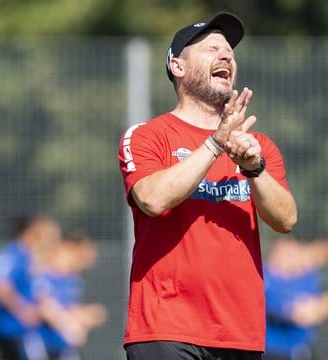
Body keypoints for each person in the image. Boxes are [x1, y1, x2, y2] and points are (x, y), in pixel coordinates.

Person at [117, 12, 297, 360]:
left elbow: (286, 219)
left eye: (230, 51)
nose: (226, 55)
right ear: (177, 67)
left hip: (239, 334)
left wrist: (254, 167)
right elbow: (152, 199)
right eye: (212, 48)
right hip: (166, 328)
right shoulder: (147, 136)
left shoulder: (257, 145)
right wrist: (215, 145)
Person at [0, 214, 62, 360]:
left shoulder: (30, 256)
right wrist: (23, 310)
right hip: (12, 329)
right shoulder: (13, 255)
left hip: (24, 332)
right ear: (31, 230)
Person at [263, 237, 328, 360]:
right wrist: (302, 311)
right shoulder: (265, 278)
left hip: (304, 349)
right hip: (275, 351)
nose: (294, 257)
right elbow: (285, 311)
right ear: (276, 253)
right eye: (289, 253)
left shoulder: (307, 276)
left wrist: (320, 308)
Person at [33, 232, 107, 360]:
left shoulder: (73, 280)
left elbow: (72, 310)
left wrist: (84, 317)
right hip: (42, 346)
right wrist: (70, 324)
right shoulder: (44, 276)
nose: (91, 257)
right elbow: (45, 309)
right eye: (86, 252)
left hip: (64, 349)